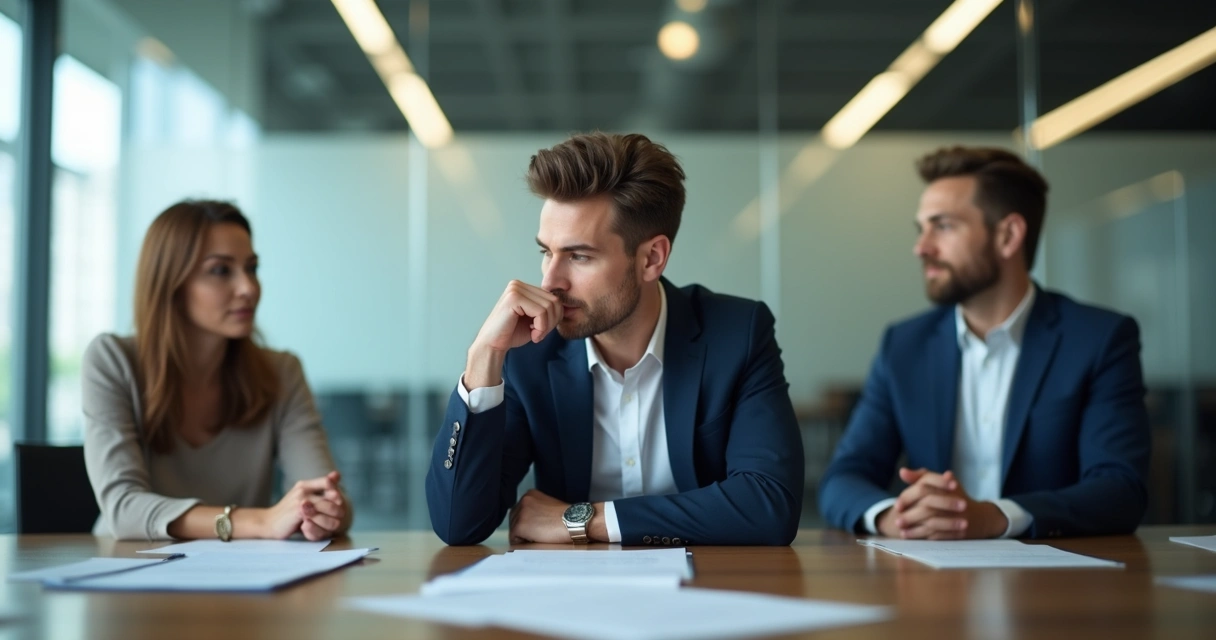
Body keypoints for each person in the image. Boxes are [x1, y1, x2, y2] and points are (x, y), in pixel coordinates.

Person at [425, 132, 804, 546]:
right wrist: (484, 357)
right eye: (546, 252)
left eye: (579, 256)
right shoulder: (528, 351)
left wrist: (583, 520)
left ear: (651, 259)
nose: (550, 282)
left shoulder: (737, 334)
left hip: (705, 588)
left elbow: (769, 508)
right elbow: (457, 525)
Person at [819, 146, 1151, 540]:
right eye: (921, 229)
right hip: (930, 584)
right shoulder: (904, 345)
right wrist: (894, 516)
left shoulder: (1098, 340)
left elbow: (1119, 489)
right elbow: (843, 477)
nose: (921, 247)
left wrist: (998, 517)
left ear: (1008, 235)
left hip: (1058, 582)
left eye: (942, 226)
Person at [83, 200, 352, 541]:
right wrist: (260, 522)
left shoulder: (282, 371)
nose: (249, 288)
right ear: (172, 286)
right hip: (127, 575)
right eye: (221, 271)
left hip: (246, 582)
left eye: (252, 268)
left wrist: (324, 512)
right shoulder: (112, 361)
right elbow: (124, 509)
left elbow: (326, 493)